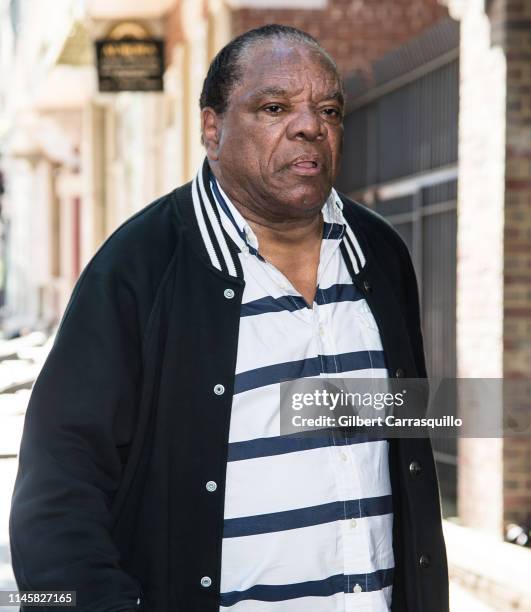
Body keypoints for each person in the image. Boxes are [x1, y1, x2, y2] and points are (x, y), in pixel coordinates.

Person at [9, 24, 449, 612]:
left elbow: (402, 452)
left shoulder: (381, 255)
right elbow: (54, 498)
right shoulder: (138, 269)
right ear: (212, 129)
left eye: (328, 109)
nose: (309, 126)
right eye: (275, 107)